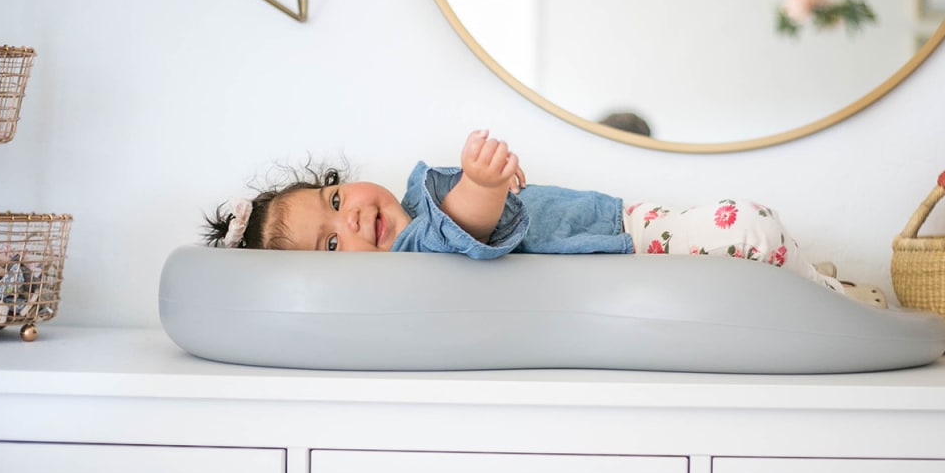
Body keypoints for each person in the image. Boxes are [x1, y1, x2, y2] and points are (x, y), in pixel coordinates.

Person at [204, 130, 884, 304]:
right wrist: (479, 183)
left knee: (749, 233)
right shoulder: (416, 253)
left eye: (332, 200)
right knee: (749, 228)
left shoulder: (411, 201)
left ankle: (817, 284)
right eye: (329, 247)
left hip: (623, 225)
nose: (350, 219)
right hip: (621, 250)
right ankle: (829, 293)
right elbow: (461, 229)